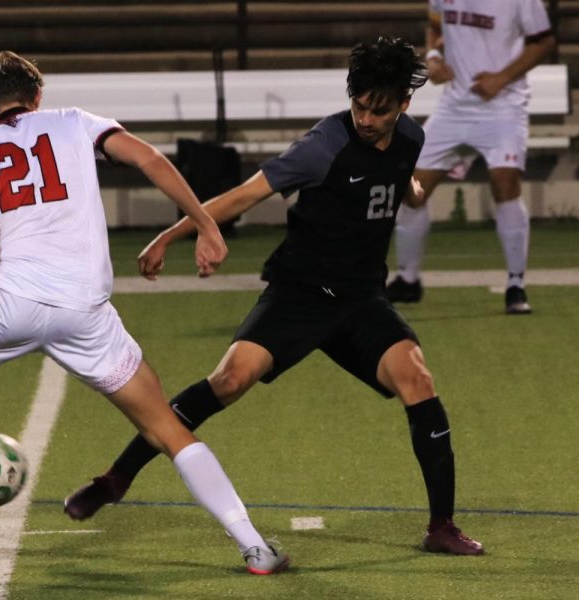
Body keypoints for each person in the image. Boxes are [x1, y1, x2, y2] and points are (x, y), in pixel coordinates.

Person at [0, 50, 289, 575]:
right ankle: (253, 544)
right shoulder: (77, 123)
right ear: (37, 96)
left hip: (11, 304)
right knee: (166, 428)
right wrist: (205, 225)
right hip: (85, 312)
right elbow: (152, 160)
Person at [64, 37, 484, 556]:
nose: (366, 118)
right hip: (300, 294)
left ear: (404, 104)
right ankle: (116, 479)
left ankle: (441, 526)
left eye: (379, 109)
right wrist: (170, 237)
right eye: (359, 106)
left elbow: (404, 186)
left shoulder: (411, 139)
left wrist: (420, 188)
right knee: (229, 380)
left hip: (360, 300)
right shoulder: (323, 146)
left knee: (418, 380)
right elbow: (242, 195)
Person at [385, 0, 556, 314]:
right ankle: (408, 280)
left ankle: (515, 284)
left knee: (504, 182)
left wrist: (502, 77)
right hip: (454, 107)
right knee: (412, 190)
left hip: (503, 105)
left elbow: (544, 42)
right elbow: (436, 26)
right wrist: (434, 58)